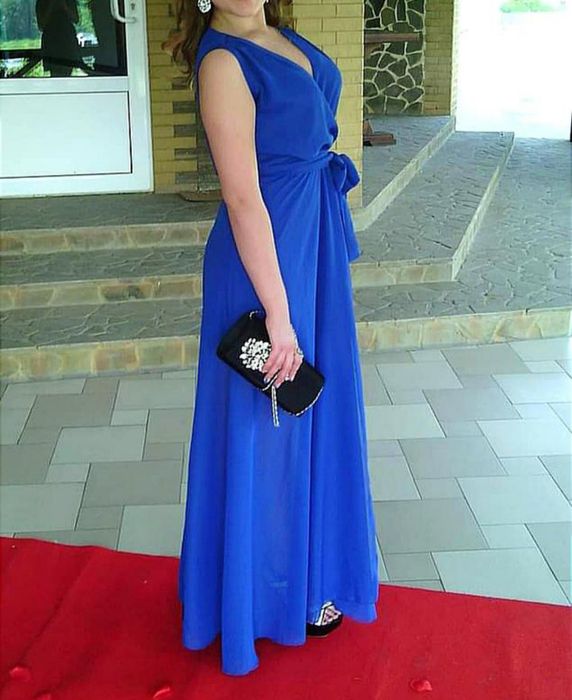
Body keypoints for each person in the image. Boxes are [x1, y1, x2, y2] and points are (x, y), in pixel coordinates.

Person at [164, 0, 380, 676]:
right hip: (267, 264)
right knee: (267, 431)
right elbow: (241, 196)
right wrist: (278, 315)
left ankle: (308, 579)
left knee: (310, 417)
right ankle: (263, 599)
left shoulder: (280, 36)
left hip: (310, 244)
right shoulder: (223, 62)